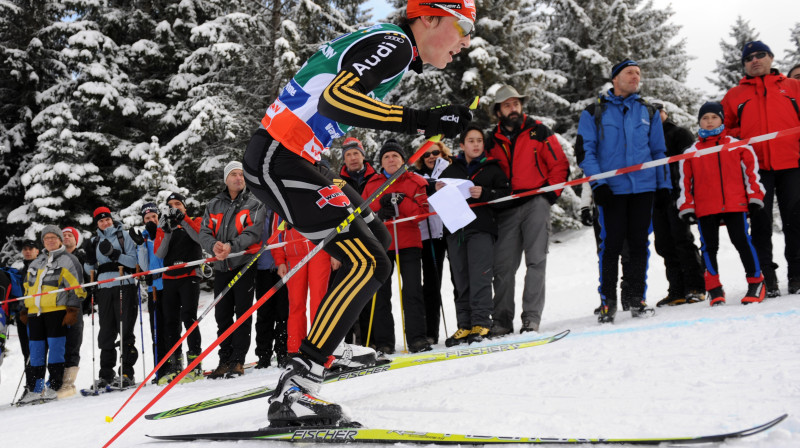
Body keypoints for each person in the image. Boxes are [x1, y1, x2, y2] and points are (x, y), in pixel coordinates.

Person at [241, 0, 474, 427]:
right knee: (371, 264)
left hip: (298, 159)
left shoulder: (392, 44)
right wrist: (423, 120)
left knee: (376, 239)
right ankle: (298, 387)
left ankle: (329, 346)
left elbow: (330, 97)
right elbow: (335, 100)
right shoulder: (397, 42)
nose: (466, 41)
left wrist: (428, 121)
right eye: (464, 28)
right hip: (281, 158)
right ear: (430, 17)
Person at [576, 59, 671, 324]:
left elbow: (658, 152)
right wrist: (598, 184)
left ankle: (636, 297)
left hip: (644, 189)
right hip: (611, 191)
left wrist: (664, 186)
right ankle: (608, 301)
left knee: (640, 244)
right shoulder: (594, 112)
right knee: (611, 245)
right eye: (630, 72)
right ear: (615, 78)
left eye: (638, 73)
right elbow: (586, 152)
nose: (635, 77)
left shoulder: (648, 111)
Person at [486, 84, 569, 334]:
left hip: (535, 202)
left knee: (536, 262)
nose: (513, 108)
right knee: (503, 267)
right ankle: (501, 320)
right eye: (507, 105)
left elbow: (560, 165)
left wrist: (548, 197)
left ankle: (531, 318)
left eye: (516, 103)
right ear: (498, 111)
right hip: (506, 208)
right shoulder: (491, 139)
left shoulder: (539, 131)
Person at [721, 41, 800, 297]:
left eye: (760, 55)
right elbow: (723, 130)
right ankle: (767, 277)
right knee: (761, 223)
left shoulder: (793, 87)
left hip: (793, 164)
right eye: (749, 58)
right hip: (756, 169)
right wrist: (744, 135)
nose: (755, 60)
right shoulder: (734, 95)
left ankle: (797, 275)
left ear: (771, 57)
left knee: (796, 221)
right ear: (744, 65)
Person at [677, 102, 766, 305]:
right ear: (699, 121)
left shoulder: (738, 145)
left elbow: (752, 175)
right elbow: (685, 183)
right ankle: (714, 288)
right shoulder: (691, 152)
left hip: (735, 203)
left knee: (741, 240)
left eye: (714, 117)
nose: (709, 122)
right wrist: (686, 206)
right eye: (704, 118)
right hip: (706, 206)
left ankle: (756, 282)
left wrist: (754, 197)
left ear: (722, 119)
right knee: (709, 246)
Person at [439, 125, 510, 346]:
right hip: (456, 231)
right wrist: (438, 188)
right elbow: (434, 193)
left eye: (479, 140)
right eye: (471, 140)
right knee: (460, 278)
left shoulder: (492, 168)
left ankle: (481, 322)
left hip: (481, 229)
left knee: (480, 276)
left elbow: (507, 194)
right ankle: (465, 324)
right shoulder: (451, 169)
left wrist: (486, 193)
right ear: (462, 145)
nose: (476, 144)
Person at [361, 139, 431, 354]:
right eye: (386, 157)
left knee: (412, 291)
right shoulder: (372, 184)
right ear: (381, 162)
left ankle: (417, 338)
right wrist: (379, 216)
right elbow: (363, 216)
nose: (391, 160)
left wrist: (401, 201)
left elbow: (422, 214)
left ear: (402, 160)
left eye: (395, 156)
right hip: (382, 245)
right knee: (381, 294)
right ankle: (384, 341)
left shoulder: (415, 181)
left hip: (409, 243)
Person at [199, 161, 265, 379]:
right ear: (226, 179)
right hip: (221, 266)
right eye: (234, 175)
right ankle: (224, 359)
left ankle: (238, 360)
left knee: (242, 313)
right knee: (222, 315)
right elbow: (205, 232)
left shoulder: (254, 202)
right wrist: (214, 246)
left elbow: (253, 232)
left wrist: (231, 246)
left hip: (243, 263)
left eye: (242, 175)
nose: (239, 178)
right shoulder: (214, 204)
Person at [18, 226, 85, 404]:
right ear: (43, 242)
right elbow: (27, 288)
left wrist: (72, 310)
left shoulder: (69, 260)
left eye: (53, 237)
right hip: (35, 314)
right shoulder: (36, 262)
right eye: (46, 238)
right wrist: (24, 308)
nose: (50, 241)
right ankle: (35, 388)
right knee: (36, 351)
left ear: (60, 240)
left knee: (56, 350)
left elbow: (77, 288)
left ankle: (54, 385)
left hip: (56, 311)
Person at [651, 104, 706, 307]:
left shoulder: (679, 133)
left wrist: (687, 194)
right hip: (657, 197)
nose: (656, 117)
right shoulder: (644, 138)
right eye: (651, 114)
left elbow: (692, 164)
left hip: (678, 194)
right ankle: (676, 289)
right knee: (664, 244)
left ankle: (696, 286)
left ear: (665, 113)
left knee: (682, 239)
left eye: (659, 112)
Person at [84, 206, 139, 388]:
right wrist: (90, 258)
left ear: (112, 219)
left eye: (107, 219)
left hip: (124, 285)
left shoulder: (124, 236)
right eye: (100, 221)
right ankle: (106, 374)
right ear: (97, 223)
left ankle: (127, 373)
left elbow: (133, 262)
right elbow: (90, 271)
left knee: (125, 330)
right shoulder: (95, 240)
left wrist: (115, 254)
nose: (105, 222)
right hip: (104, 289)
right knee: (106, 332)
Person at [153, 194, 205, 384]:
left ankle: (195, 364)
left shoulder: (194, 220)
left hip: (189, 274)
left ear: (184, 207)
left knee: (189, 317)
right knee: (170, 322)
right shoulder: (164, 225)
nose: (174, 208)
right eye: (170, 205)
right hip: (170, 278)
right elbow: (159, 252)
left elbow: (200, 237)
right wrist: (166, 232)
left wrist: (183, 220)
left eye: (178, 204)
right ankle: (175, 365)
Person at [270, 212, 331, 355]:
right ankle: (295, 349)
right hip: (294, 255)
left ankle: (319, 346)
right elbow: (276, 233)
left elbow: (330, 224)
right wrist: (279, 261)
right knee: (296, 304)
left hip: (319, 252)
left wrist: (334, 252)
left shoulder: (314, 193)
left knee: (318, 300)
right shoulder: (280, 202)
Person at [412, 140, 452, 345]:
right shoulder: (418, 178)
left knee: (454, 280)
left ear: (442, 152)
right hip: (428, 235)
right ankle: (430, 331)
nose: (430, 157)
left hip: (449, 232)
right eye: (425, 154)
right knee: (430, 284)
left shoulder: (450, 171)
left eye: (434, 152)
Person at [131, 203, 168, 384]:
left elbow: (164, 257)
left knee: (170, 327)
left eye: (154, 217)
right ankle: (160, 369)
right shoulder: (144, 238)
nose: (151, 220)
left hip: (168, 285)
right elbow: (144, 266)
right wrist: (142, 245)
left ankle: (174, 365)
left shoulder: (165, 232)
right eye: (147, 218)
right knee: (157, 330)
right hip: (154, 287)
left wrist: (156, 236)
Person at [254, 213, 289, 369]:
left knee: (283, 312)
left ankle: (283, 351)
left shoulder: (280, 208)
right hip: (262, 268)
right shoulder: (255, 209)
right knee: (264, 313)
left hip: (284, 268)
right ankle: (263, 354)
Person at [59, 226, 87, 398]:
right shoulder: (55, 258)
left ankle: (68, 382)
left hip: (75, 304)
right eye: (64, 235)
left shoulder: (82, 257)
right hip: (56, 304)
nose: (67, 238)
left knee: (74, 340)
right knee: (57, 341)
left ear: (76, 240)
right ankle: (56, 378)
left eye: (70, 235)